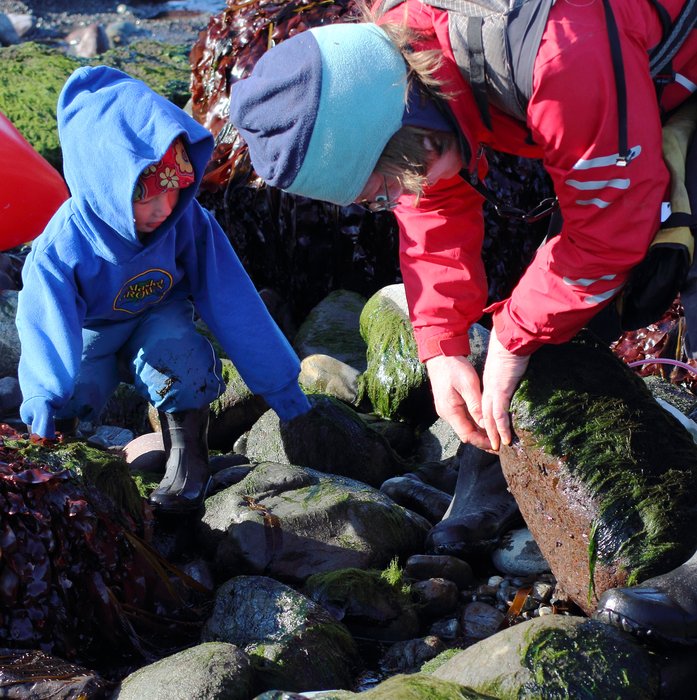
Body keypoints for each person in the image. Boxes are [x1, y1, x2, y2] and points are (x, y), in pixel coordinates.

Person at [226, 0, 697, 642]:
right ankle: (506, 465)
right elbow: (432, 202)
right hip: (636, 78)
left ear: (415, 128)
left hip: (646, 57)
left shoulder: (558, 53)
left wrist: (516, 331)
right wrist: (443, 344)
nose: (394, 200)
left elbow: (608, 219)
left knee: (629, 267)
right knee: (559, 298)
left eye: (385, 187)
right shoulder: (404, 61)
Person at [15, 65, 310, 514]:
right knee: (70, 397)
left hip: (158, 317)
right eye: (147, 197)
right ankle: (72, 460)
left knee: (184, 360)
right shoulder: (63, 245)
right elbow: (44, 322)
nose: (163, 209)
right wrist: (42, 395)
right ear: (105, 186)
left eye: (174, 191)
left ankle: (189, 457)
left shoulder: (186, 224)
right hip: (90, 336)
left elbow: (232, 300)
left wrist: (282, 387)